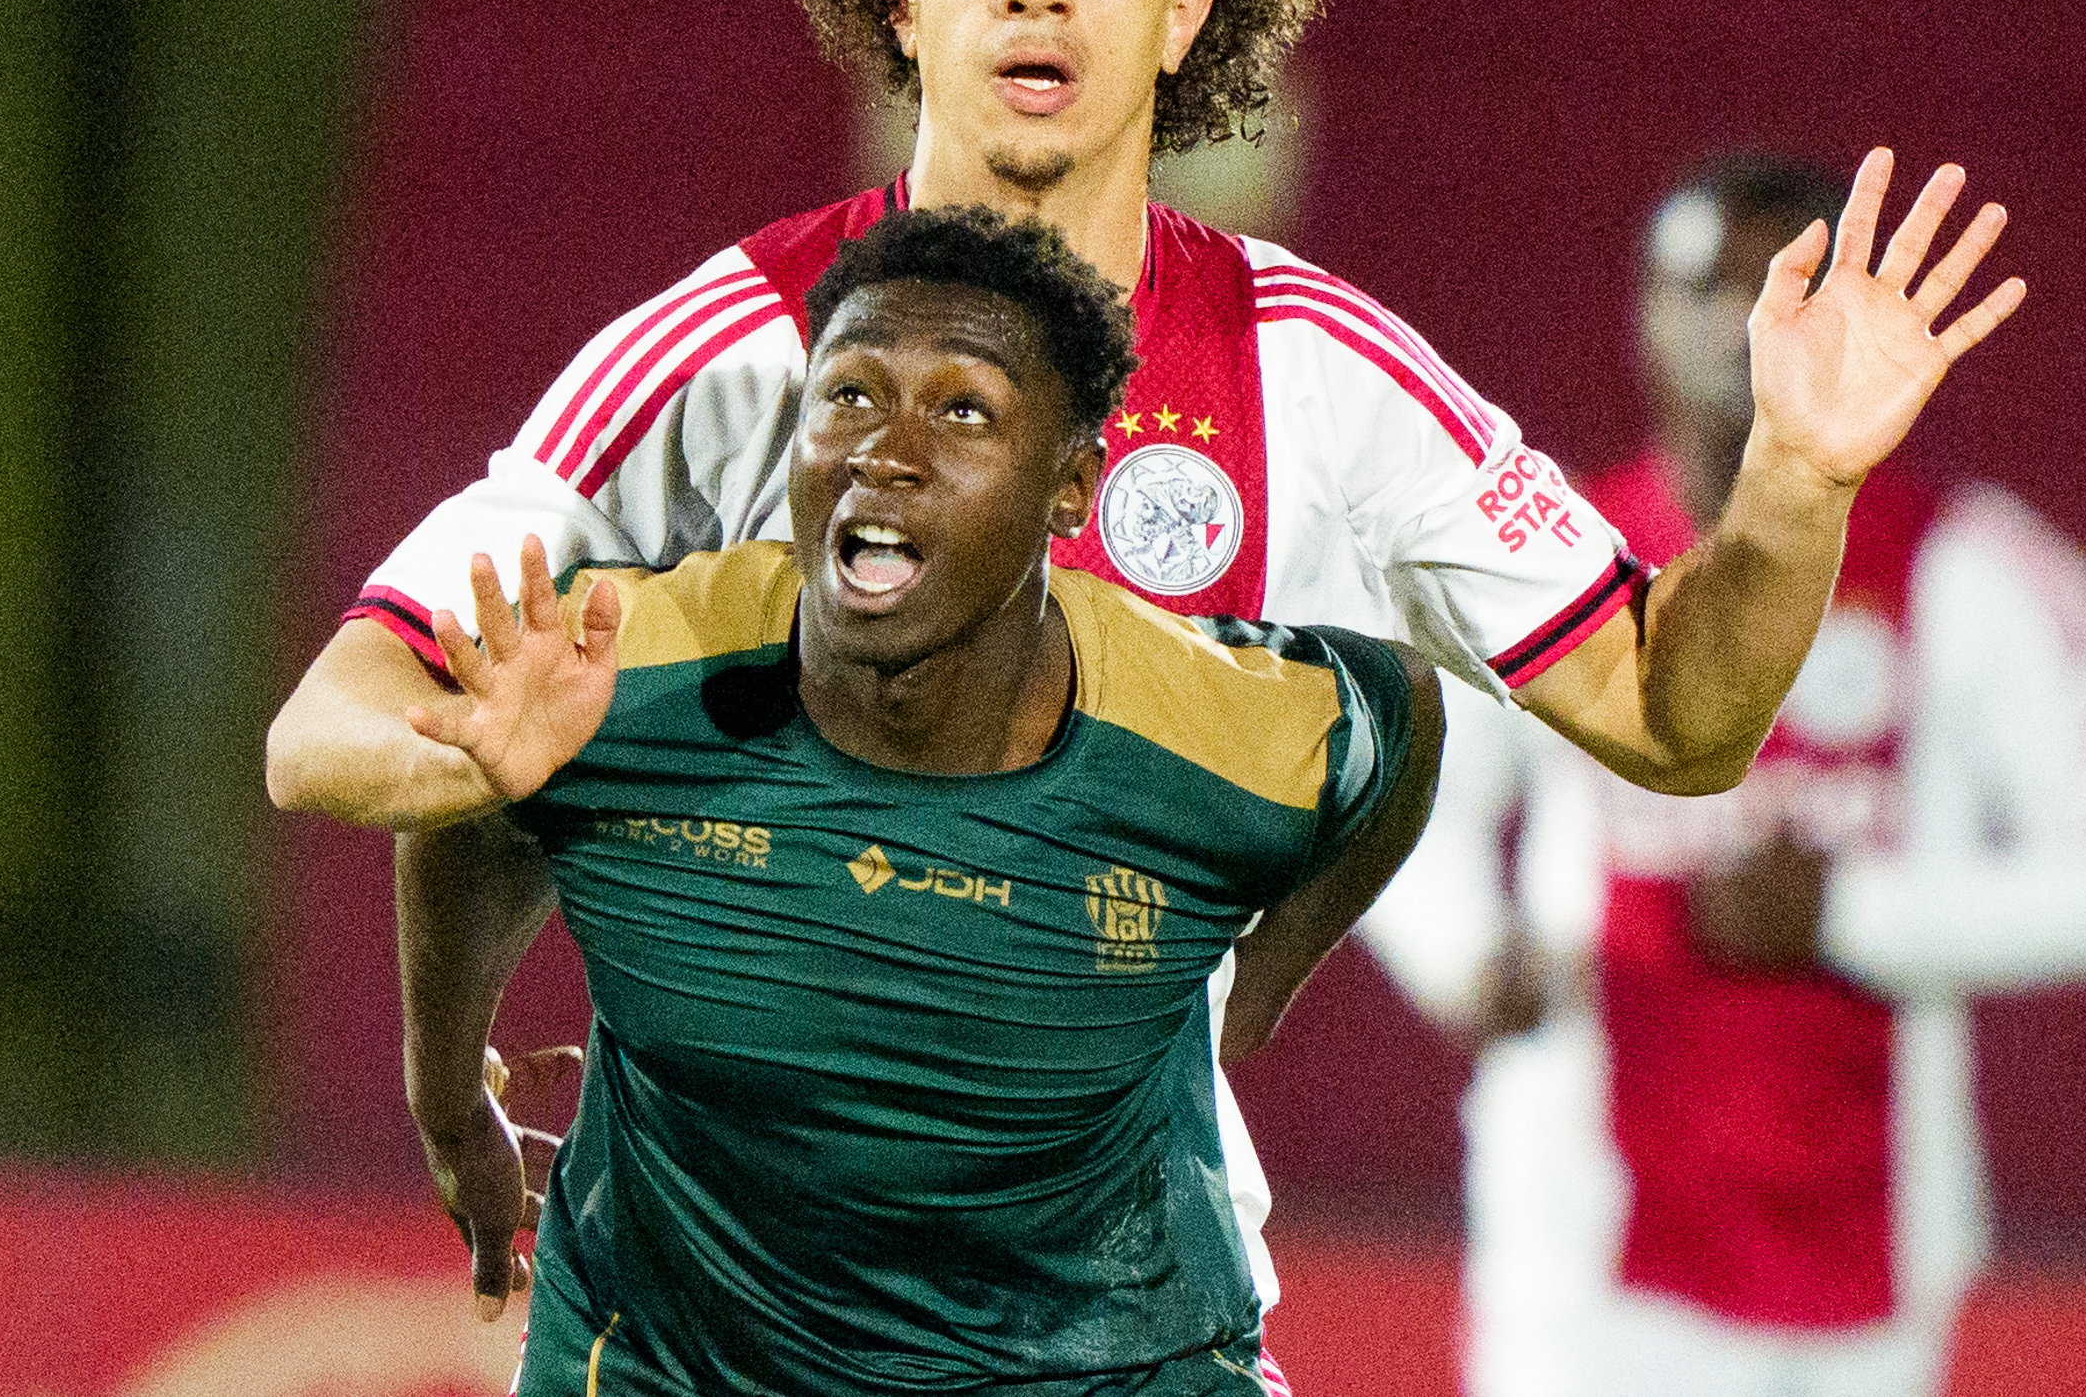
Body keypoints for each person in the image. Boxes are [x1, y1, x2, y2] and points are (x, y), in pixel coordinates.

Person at [263, 0, 2027, 1322]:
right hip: (722, 1302)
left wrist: (1796, 477)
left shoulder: (1319, 371)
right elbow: (337, 721)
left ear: (1185, 13)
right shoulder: (724, 350)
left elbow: (1670, 712)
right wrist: (476, 819)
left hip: (1113, 1308)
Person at [273, 207, 1446, 1395]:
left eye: (963, 411)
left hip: (1110, 1366)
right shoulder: (622, 669)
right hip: (670, 1365)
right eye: (849, 396)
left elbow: (1402, 717)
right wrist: (447, 1101)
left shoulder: (1206, 730)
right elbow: (464, 806)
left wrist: (1256, 987)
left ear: (1072, 487)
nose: (887, 449)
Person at [1364, 153, 2086, 1397]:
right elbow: (1393, 793)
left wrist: (1853, 916)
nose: (1737, 324)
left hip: (1869, 1250)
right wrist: (1462, 950)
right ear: (1641, 315)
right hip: (1586, 1246)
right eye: (1702, 287)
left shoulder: (1973, 568)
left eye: (1786, 286)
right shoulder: (1540, 554)